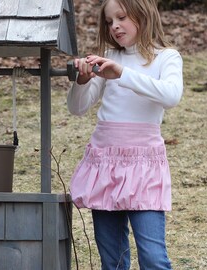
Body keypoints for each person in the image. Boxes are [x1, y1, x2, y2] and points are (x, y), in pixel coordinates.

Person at [67, 0, 183, 269]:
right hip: (105, 163)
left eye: (121, 17)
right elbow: (77, 107)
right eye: (109, 22)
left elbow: (171, 95)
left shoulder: (166, 57)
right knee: (113, 259)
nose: (115, 26)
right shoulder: (108, 56)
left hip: (145, 167)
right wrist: (81, 81)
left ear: (143, 13)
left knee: (153, 257)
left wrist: (121, 73)